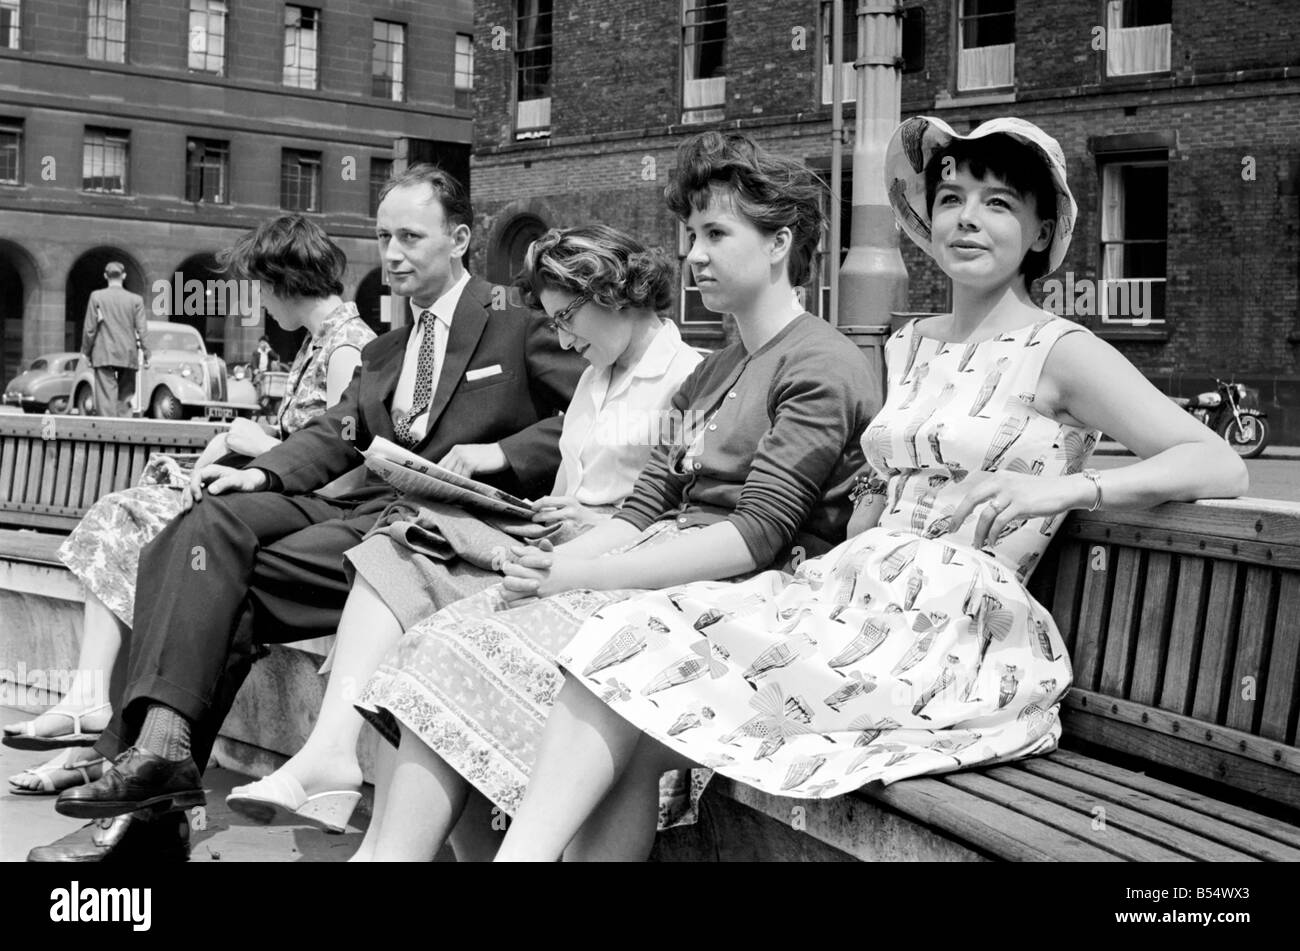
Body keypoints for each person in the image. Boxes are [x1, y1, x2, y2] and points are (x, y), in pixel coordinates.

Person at [495, 116, 1250, 862]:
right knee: (620, 681)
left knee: (635, 654)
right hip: (857, 594)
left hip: (948, 626)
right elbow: (881, 487)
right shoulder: (910, 343)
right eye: (951, 198)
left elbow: (1217, 462)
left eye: (998, 204)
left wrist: (1069, 490)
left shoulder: (1059, 350)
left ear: (1042, 231)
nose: (966, 219)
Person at [346, 130, 877, 862]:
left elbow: (754, 536)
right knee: (449, 634)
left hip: (746, 605)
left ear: (781, 241)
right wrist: (541, 572)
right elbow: (639, 511)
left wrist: (573, 573)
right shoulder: (714, 373)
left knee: (512, 656)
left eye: (715, 233)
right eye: (691, 235)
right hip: (668, 585)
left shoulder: (821, 362)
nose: (693, 254)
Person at [32, 164, 584, 861]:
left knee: (208, 584)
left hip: (440, 539)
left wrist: (497, 454)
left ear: (461, 239)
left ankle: (151, 805)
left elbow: (587, 414)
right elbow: (335, 431)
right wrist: (261, 471)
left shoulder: (516, 329)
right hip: (358, 525)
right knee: (203, 528)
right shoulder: (386, 350)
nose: (393, 253)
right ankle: (159, 759)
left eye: (412, 236)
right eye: (384, 237)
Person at [223, 224, 702, 835]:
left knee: (418, 604)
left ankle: (360, 810)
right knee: (400, 544)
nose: (560, 336)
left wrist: (599, 519)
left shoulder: (687, 377)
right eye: (553, 321)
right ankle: (334, 758)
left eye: (567, 318)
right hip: (543, 544)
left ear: (614, 294)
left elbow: (688, 513)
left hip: (602, 572)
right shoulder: (593, 375)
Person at [5, 216, 375, 798]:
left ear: (281, 281)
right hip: (268, 513)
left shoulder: (349, 348)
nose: (257, 303)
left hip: (291, 525)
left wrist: (258, 448)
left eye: (258, 287)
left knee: (127, 526)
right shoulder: (322, 343)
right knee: (131, 533)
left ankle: (96, 729)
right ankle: (97, 733)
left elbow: (347, 467)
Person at [80, 261, 149, 417]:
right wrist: (147, 353)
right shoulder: (136, 300)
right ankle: (123, 428)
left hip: (103, 352)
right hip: (128, 352)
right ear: (124, 276)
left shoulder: (96, 297)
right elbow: (142, 330)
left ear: (105, 276)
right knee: (125, 396)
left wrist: (86, 352)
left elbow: (90, 328)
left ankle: (107, 430)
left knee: (105, 396)